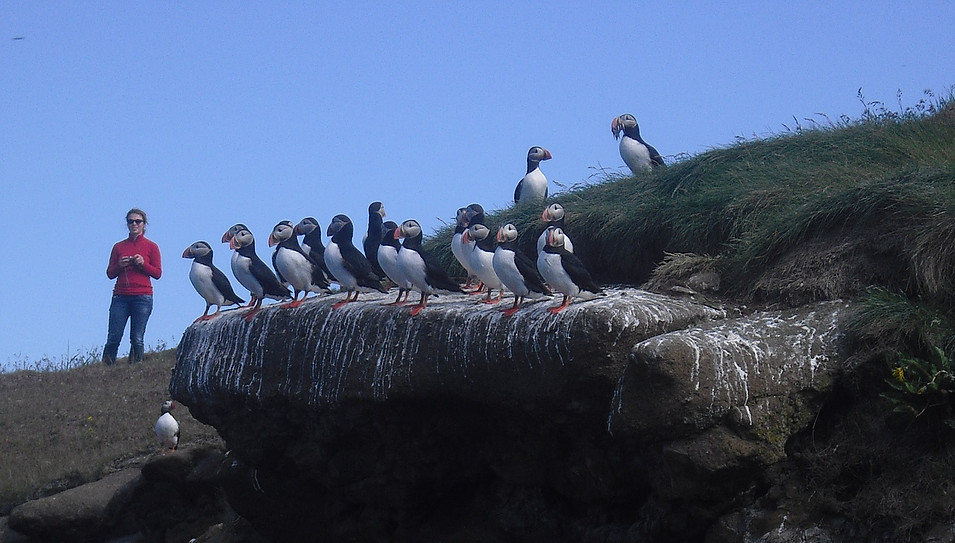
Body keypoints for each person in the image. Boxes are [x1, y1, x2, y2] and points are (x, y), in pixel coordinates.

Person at [103, 208, 162, 365]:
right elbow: (110, 273)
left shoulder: (152, 247)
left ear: (144, 224)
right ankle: (105, 369)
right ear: (127, 224)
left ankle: (136, 370)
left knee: (137, 338)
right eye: (131, 221)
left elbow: (157, 273)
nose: (134, 224)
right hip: (120, 297)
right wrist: (120, 265)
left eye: (138, 221)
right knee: (114, 336)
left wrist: (143, 264)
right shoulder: (118, 247)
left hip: (142, 297)